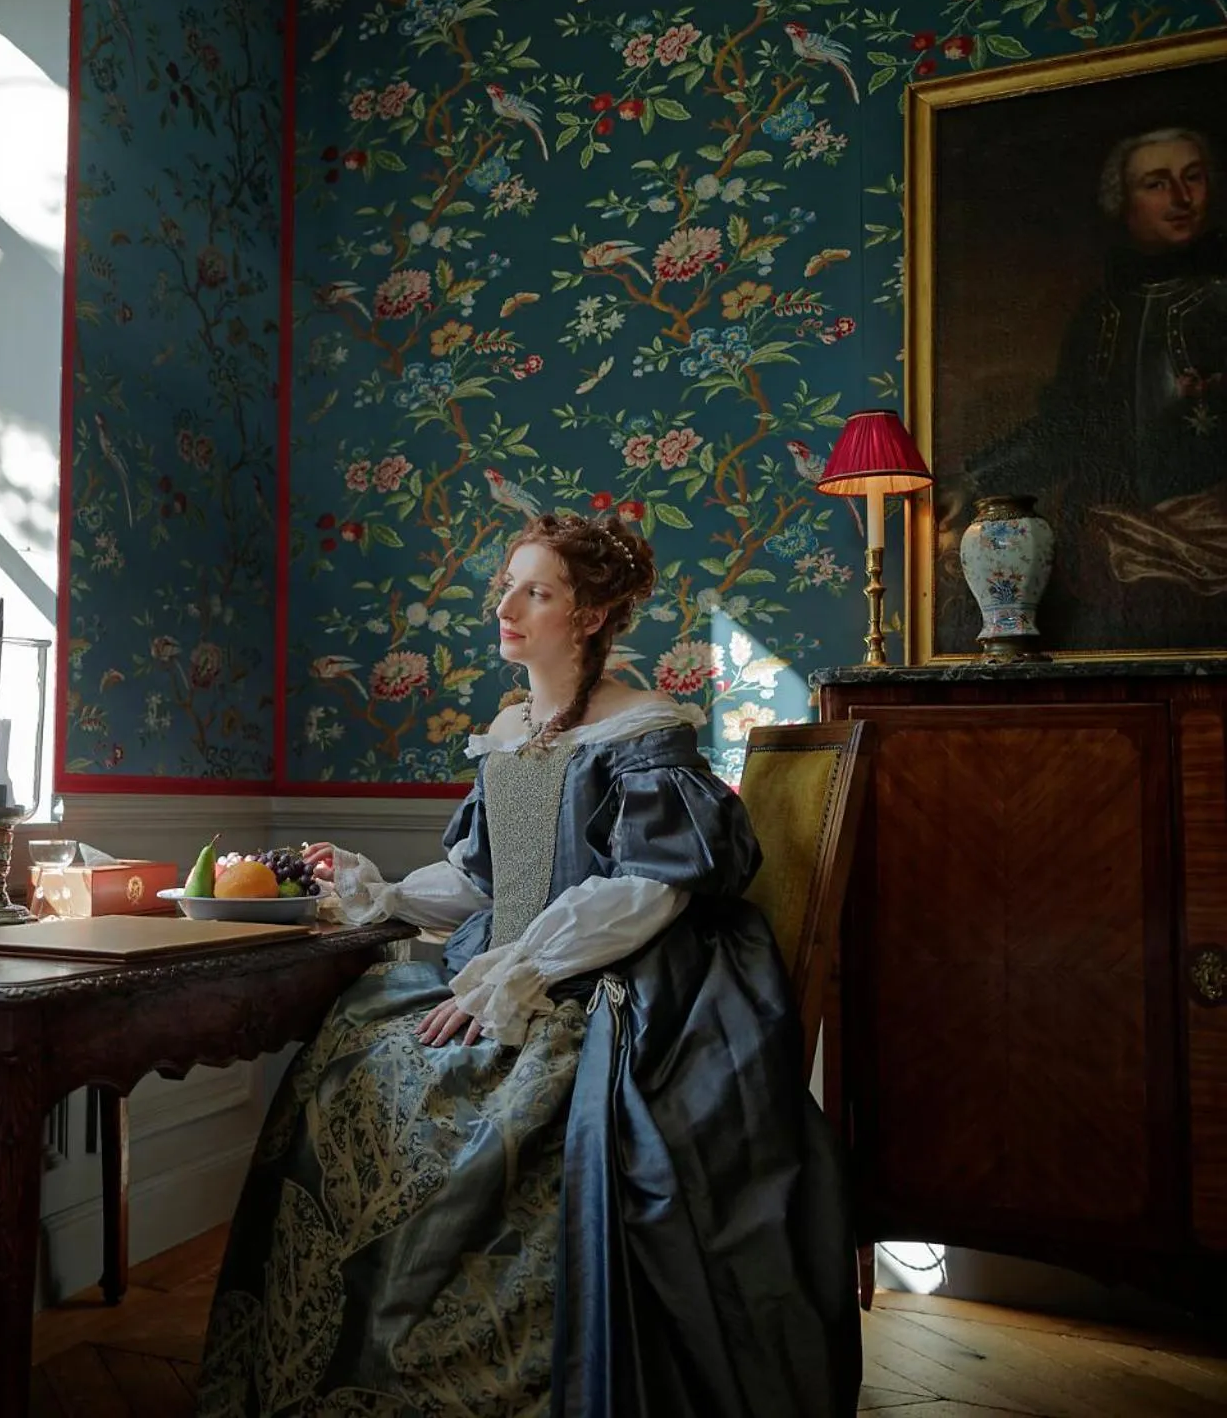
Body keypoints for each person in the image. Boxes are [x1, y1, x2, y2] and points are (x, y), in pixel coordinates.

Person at [194, 512, 860, 1418]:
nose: (505, 607)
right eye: (506, 586)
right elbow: (484, 877)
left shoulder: (644, 730)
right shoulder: (512, 725)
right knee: (353, 1054)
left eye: (535, 591)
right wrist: (383, 895)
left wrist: (523, 971)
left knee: (477, 1099)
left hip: (619, 969)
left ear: (588, 616)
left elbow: (650, 889)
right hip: (514, 952)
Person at [950, 125, 1227, 651]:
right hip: (1119, 535)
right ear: (1121, 202)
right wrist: (973, 480)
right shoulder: (1101, 315)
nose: (1181, 198)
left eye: (1193, 178)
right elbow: (1065, 429)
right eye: (1157, 183)